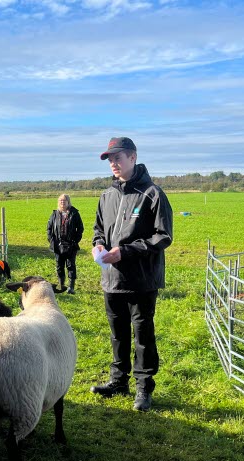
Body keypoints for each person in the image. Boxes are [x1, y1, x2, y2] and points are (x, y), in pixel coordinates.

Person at [90, 137, 173, 412]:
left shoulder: (152, 194)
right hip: (111, 279)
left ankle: (144, 387)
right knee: (117, 334)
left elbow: (163, 237)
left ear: (133, 157)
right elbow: (98, 229)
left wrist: (125, 252)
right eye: (110, 159)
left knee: (142, 335)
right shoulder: (107, 195)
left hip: (141, 280)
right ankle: (118, 381)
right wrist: (99, 245)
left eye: (118, 158)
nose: (113, 163)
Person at [47, 194, 84, 294]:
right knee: (59, 265)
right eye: (60, 201)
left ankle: (71, 287)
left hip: (70, 245)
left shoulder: (74, 213)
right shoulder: (55, 214)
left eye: (64, 201)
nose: (62, 202)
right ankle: (61, 286)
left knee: (70, 265)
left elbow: (80, 228)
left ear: (68, 202)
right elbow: (49, 228)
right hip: (58, 245)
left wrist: (75, 241)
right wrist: (51, 240)